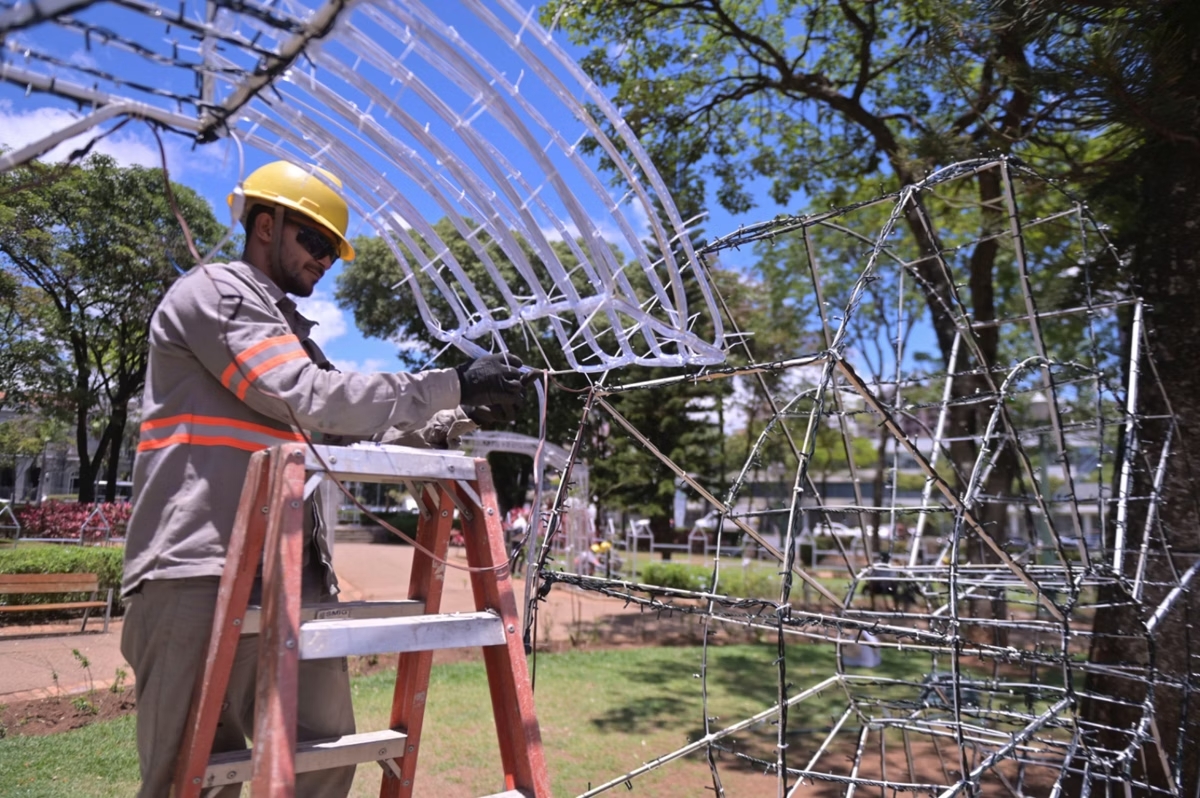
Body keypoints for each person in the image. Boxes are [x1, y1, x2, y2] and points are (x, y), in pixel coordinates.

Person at [119, 160, 529, 797]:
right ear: (264, 225)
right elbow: (305, 396)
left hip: (291, 572)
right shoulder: (218, 292)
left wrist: (460, 412)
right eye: (314, 241)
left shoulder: (290, 334)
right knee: (192, 779)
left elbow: (345, 427)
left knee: (324, 755)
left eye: (333, 252)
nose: (324, 261)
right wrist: (450, 382)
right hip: (197, 568)